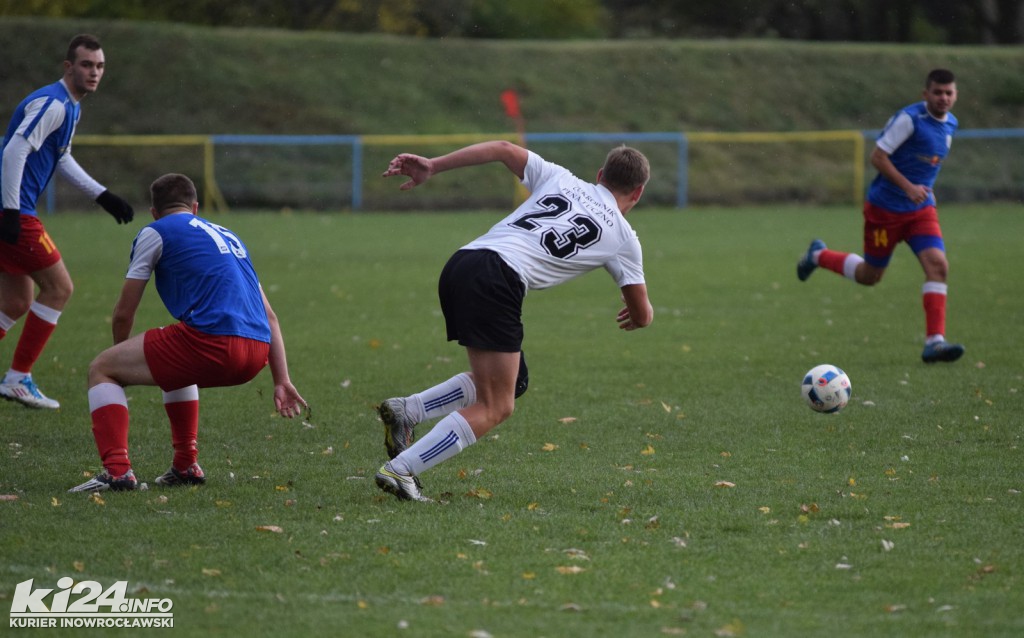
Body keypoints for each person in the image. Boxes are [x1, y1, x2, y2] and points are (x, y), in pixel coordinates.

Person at [375, 141, 653, 502]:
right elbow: (642, 314)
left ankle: (408, 410)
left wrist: (434, 165)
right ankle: (402, 469)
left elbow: (504, 148)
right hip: (498, 279)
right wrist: (637, 312)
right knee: (497, 405)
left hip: (464, 262)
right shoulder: (624, 239)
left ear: (600, 176)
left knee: (513, 380)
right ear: (639, 192)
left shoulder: (560, 178)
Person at [69, 173, 306, 493]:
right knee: (176, 355)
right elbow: (270, 316)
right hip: (257, 352)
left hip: (214, 343)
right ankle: (185, 465)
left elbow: (124, 311)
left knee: (102, 368)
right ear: (195, 207)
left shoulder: (155, 231)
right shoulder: (229, 235)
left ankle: (117, 471)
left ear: (154, 212)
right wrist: (281, 379)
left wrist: (120, 362)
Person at [0, 34, 136, 410]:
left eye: (100, 66)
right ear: (68, 67)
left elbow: (60, 158)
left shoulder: (70, 107)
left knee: (15, 300)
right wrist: (12, 211)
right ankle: (17, 379)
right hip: (14, 211)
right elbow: (14, 150)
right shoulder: (55, 103)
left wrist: (102, 195)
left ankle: (16, 378)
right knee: (59, 288)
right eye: (86, 65)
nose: (94, 72)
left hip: (11, 209)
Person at [797, 68, 964, 364]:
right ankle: (818, 256)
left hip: (919, 211)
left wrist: (925, 190)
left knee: (938, 266)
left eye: (948, 92)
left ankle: (934, 342)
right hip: (885, 210)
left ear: (956, 95)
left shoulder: (951, 123)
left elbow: (928, 164)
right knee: (869, 276)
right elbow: (878, 157)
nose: (943, 98)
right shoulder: (909, 120)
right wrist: (909, 187)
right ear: (925, 94)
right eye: (937, 92)